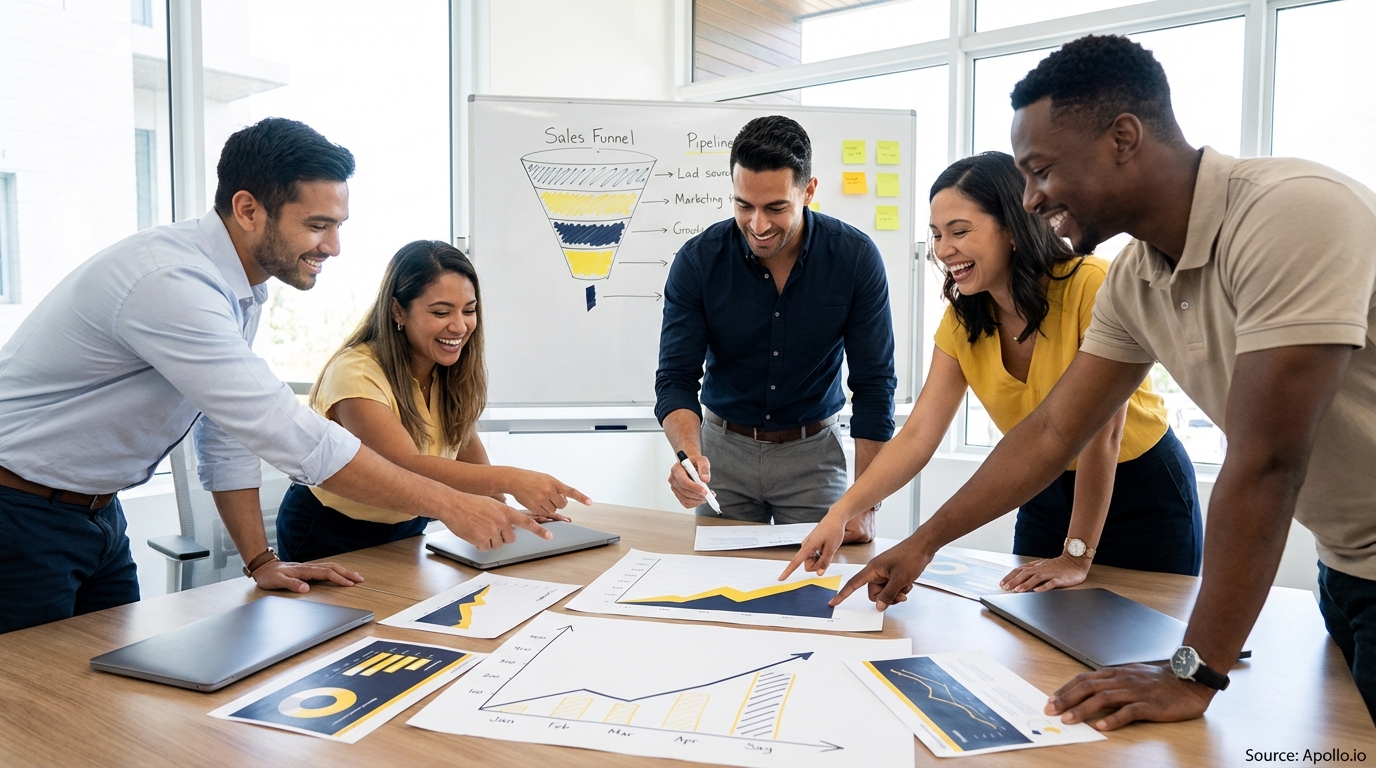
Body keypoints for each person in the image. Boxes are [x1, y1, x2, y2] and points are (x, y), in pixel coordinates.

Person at [833, 34, 1376, 728]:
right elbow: (1054, 431)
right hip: (1346, 563)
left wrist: (1194, 673)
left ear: (1123, 137)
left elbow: (1268, 461)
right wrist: (923, 543)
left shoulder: (1289, 214)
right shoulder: (1138, 277)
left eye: (1041, 171)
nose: (1029, 199)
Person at [0, 118, 548, 634]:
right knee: (31, 710)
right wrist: (453, 505)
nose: (333, 246)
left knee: (99, 697)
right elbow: (285, 432)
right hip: (19, 512)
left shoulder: (238, 289)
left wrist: (260, 560)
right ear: (247, 209)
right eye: (317, 225)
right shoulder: (173, 283)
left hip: (96, 514)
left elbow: (227, 432)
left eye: (337, 225)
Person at [782, 151, 1201, 590]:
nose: (944, 250)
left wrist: (1076, 553)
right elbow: (920, 433)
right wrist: (842, 510)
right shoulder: (964, 320)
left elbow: (1104, 436)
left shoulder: (1093, 285)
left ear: (1014, 227)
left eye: (960, 232)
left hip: (1142, 489)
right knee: (1033, 636)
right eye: (937, 235)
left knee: (1148, 641)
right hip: (1043, 485)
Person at [654, 116, 896, 538]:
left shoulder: (855, 260)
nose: (758, 225)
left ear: (809, 191)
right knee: (716, 592)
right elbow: (675, 378)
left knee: (820, 590)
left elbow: (874, 385)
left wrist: (866, 500)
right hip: (722, 456)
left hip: (814, 458)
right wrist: (689, 457)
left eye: (776, 208)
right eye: (744, 205)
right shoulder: (698, 262)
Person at [276, 240, 590, 562]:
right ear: (398, 310)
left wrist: (507, 513)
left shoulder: (446, 369)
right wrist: (514, 478)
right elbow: (405, 467)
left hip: (406, 525)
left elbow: (466, 453)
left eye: (469, 310)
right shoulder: (355, 372)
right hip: (327, 530)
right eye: (441, 312)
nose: (459, 325)